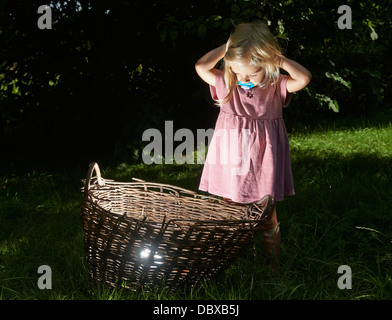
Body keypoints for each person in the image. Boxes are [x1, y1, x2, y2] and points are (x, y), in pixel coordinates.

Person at [195, 21, 311, 269]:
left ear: (268, 63)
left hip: (262, 164)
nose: (244, 79)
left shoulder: (275, 85)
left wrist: (277, 60)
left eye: (252, 73)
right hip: (231, 163)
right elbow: (201, 66)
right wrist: (227, 48)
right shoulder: (226, 83)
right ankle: (225, 260)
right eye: (238, 72)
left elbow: (303, 77)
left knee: (267, 215)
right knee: (228, 213)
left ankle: (273, 266)